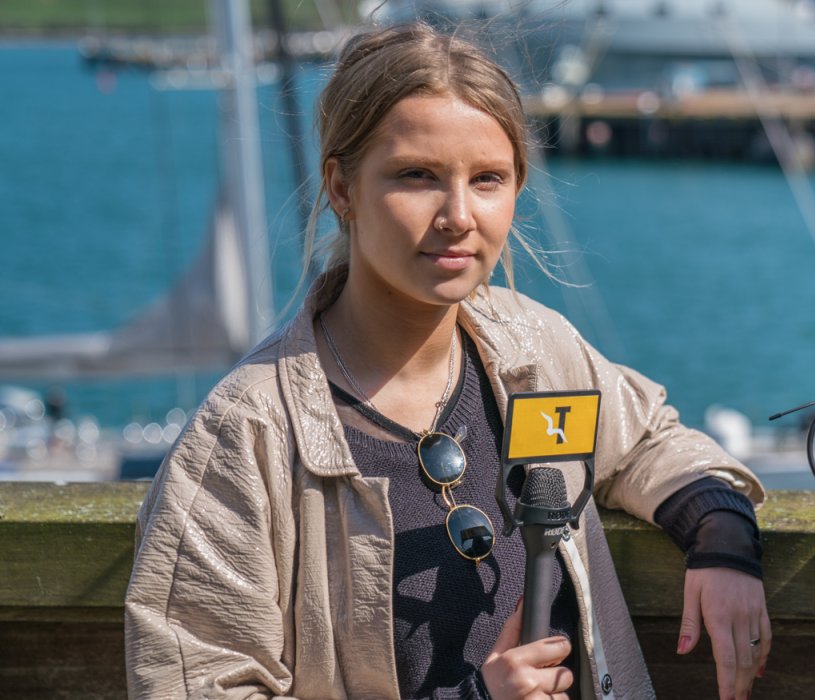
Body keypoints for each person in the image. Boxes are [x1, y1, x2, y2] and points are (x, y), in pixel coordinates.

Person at [126, 23, 770, 700]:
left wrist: (720, 533)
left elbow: (645, 444)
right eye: (417, 177)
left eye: (488, 179)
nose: (459, 215)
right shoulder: (245, 436)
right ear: (341, 188)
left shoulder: (533, 351)